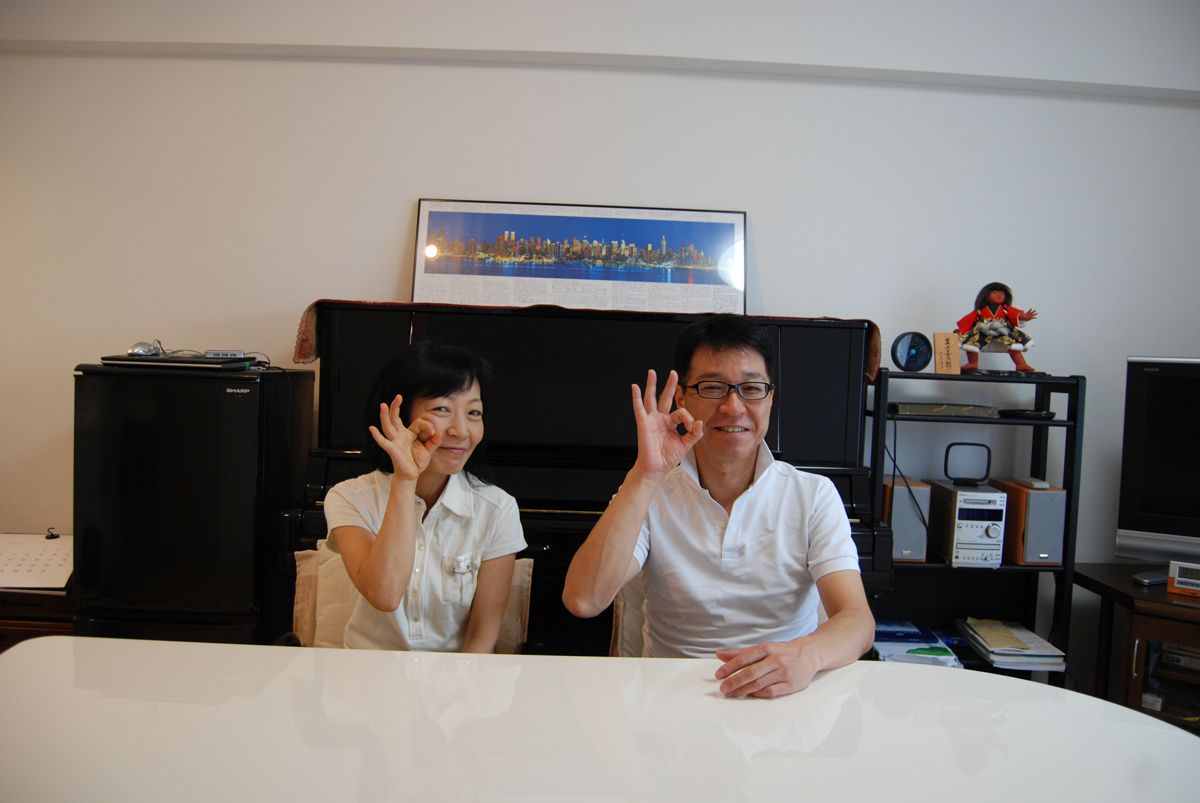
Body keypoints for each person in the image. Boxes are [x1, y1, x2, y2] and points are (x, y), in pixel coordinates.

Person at [562, 314, 875, 698]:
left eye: (751, 388)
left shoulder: (812, 494)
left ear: (770, 397)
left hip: (782, 697)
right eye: (713, 387)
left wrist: (804, 655)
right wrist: (645, 474)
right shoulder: (650, 491)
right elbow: (584, 600)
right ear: (682, 398)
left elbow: (857, 620)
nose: (733, 406)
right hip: (671, 704)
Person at [323, 340, 526, 652]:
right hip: (367, 674)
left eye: (474, 412)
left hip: (456, 677)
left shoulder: (498, 508)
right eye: (442, 409)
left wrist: (456, 683)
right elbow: (384, 594)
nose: (461, 431)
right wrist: (406, 478)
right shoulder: (349, 497)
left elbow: (482, 636)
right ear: (400, 415)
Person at [956, 281, 1039, 372]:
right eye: (995, 292)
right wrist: (961, 330)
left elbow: (1016, 314)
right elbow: (968, 320)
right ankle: (973, 363)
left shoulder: (1005, 309)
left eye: (1002, 293)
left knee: (1014, 345)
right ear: (986, 295)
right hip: (983, 330)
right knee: (971, 344)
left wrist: (1024, 317)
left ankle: (1021, 364)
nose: (999, 295)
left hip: (1003, 330)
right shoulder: (980, 310)